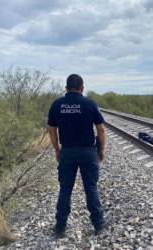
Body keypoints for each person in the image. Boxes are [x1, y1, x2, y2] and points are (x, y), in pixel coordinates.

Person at [48, 74, 108, 237]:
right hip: (88, 152)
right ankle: (98, 225)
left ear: (66, 88)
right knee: (91, 187)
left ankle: (60, 227)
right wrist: (101, 150)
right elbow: (100, 130)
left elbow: (52, 131)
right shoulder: (89, 103)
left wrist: (57, 150)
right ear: (82, 88)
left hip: (67, 152)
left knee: (65, 189)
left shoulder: (57, 104)